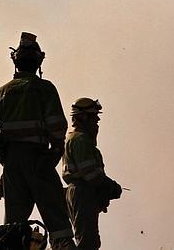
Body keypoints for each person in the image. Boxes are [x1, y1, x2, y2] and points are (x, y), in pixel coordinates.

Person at [0, 32, 76, 250]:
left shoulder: (0, 93)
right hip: (40, 158)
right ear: (39, 61)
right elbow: (57, 126)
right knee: (58, 224)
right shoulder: (44, 88)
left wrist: (7, 154)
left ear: (16, 62)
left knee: (13, 230)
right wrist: (54, 154)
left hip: (13, 165)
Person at [62, 98, 121, 250]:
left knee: (86, 239)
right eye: (93, 118)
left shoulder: (73, 138)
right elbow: (89, 174)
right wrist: (111, 186)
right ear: (83, 118)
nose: (96, 122)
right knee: (88, 242)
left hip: (79, 191)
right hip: (82, 192)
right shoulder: (81, 140)